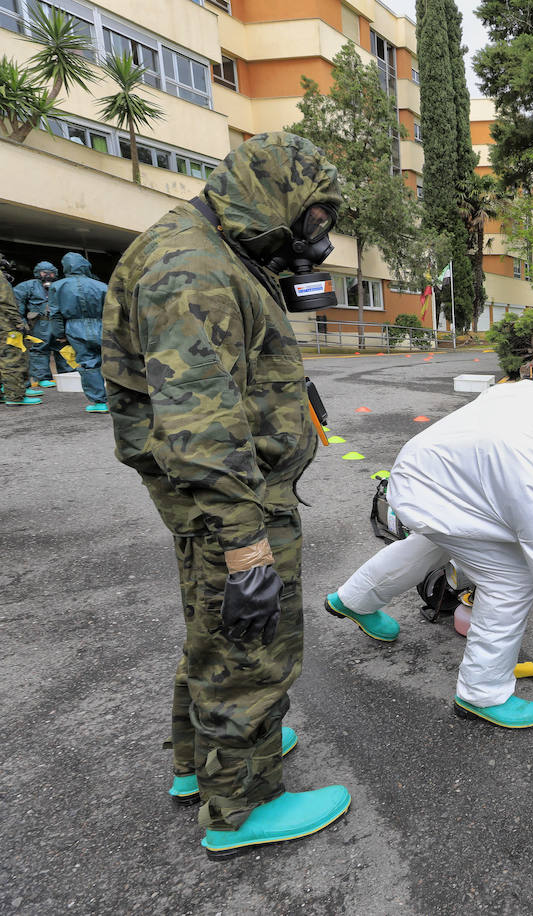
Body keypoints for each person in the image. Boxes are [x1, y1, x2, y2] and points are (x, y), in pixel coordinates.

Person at [103, 132, 350, 859]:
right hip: (233, 502)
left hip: (220, 496)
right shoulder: (193, 268)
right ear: (276, 193)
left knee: (211, 630)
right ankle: (241, 804)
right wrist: (247, 549)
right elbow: (202, 427)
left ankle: (199, 764)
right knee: (253, 644)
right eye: (315, 218)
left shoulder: (214, 248)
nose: (319, 238)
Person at [325, 382, 533, 730]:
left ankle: (354, 600)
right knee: (511, 580)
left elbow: (497, 397)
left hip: (434, 468)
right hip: (436, 488)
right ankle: (481, 694)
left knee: (438, 541)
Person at [49, 253, 108, 413]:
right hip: (102, 325)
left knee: (88, 363)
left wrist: (59, 334)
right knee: (113, 361)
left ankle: (99, 402)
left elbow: (55, 314)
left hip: (75, 327)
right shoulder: (102, 286)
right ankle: (123, 397)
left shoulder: (57, 286)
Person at [13, 259, 67, 389]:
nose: (47, 276)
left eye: (51, 273)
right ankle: (42, 377)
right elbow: (17, 302)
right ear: (38, 273)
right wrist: (22, 322)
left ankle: (67, 375)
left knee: (63, 348)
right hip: (39, 323)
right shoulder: (28, 286)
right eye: (44, 273)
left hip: (58, 322)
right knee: (39, 349)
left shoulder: (60, 286)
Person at [2, 257, 42, 407]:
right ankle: (14, 396)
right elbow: (7, 303)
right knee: (11, 360)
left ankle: (3, 393)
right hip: (5, 326)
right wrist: (19, 323)